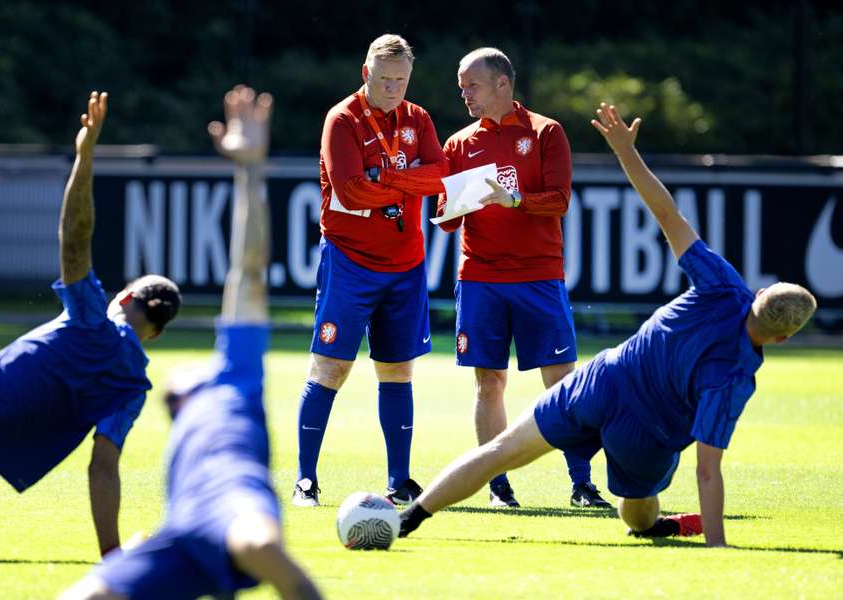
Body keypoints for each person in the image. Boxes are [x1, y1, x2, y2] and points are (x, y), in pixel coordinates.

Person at [399, 103, 817, 545]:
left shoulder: (722, 285)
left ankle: (408, 517)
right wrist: (718, 545)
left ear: (758, 294)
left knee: (498, 453)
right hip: (648, 432)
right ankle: (650, 522)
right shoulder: (737, 375)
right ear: (784, 337)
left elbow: (665, 212)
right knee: (638, 516)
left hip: (603, 381)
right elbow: (707, 470)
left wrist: (626, 152)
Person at [59, 85, 323, 600]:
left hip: (234, 509)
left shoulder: (235, 381)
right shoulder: (228, 387)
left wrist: (250, 172)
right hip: (182, 530)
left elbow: (247, 271)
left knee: (259, 547)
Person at [0, 91, 182, 557]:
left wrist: (84, 155)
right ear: (157, 332)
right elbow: (103, 469)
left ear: (126, 297)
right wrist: (111, 556)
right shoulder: (131, 386)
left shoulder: (92, 320)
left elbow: (75, 234)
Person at [435, 48, 608, 508]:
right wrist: (453, 204)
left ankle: (582, 483)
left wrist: (514, 201)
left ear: (502, 84)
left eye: (471, 85)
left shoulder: (545, 131)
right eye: (461, 86)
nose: (464, 94)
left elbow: (560, 199)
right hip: (479, 278)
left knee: (561, 381)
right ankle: (497, 488)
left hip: (538, 276)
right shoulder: (458, 143)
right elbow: (447, 220)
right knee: (488, 382)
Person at [292, 34, 447, 507]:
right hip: (350, 261)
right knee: (332, 366)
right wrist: (407, 183)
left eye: (401, 80)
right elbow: (351, 189)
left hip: (405, 265)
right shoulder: (342, 119)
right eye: (384, 80)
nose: (393, 88)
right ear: (366, 74)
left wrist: (390, 180)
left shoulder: (417, 118)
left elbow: (439, 173)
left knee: (398, 370)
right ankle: (305, 481)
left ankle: (399, 480)